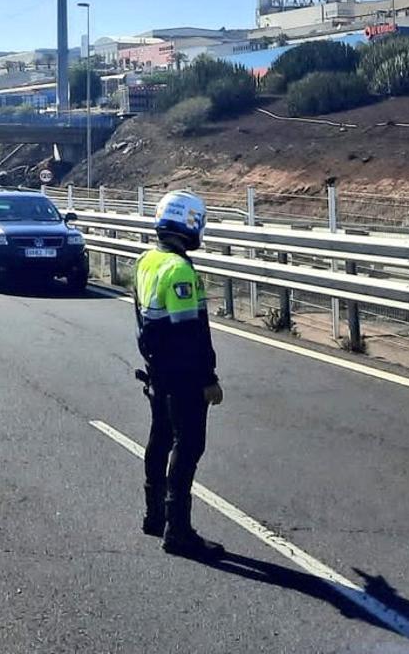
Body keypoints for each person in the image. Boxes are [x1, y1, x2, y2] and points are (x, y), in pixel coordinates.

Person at [133, 190, 225, 559]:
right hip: (183, 375)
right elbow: (190, 333)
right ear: (192, 224)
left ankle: (153, 515)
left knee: (159, 439)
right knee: (187, 447)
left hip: (157, 370)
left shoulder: (147, 260)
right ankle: (178, 529)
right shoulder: (179, 270)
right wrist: (208, 378)